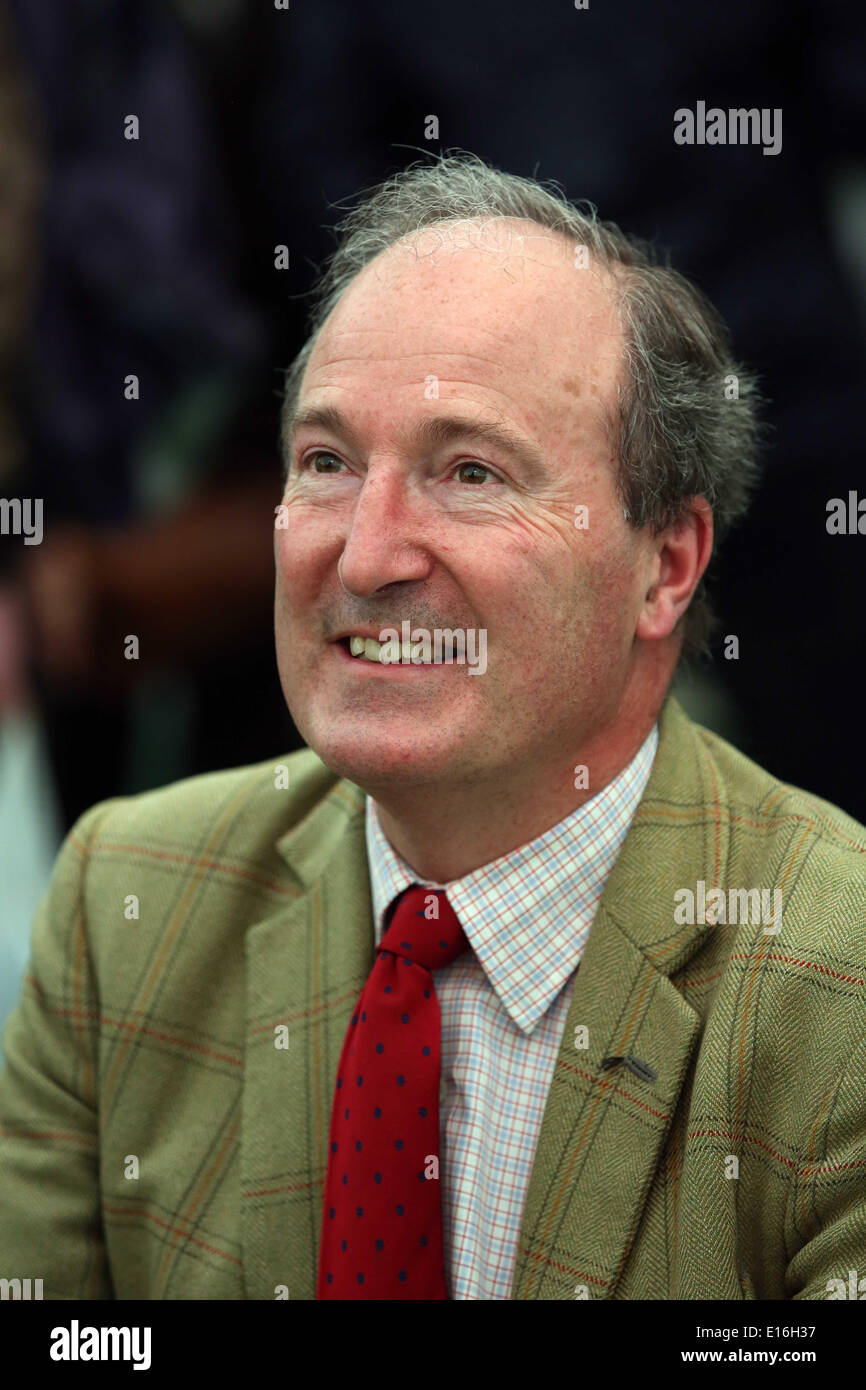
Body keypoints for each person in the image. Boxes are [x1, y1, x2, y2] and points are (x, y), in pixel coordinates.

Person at [1, 152, 864, 1301]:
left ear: (665, 565)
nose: (362, 554)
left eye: (468, 472)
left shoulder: (835, 983)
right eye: (325, 462)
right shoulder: (130, 903)